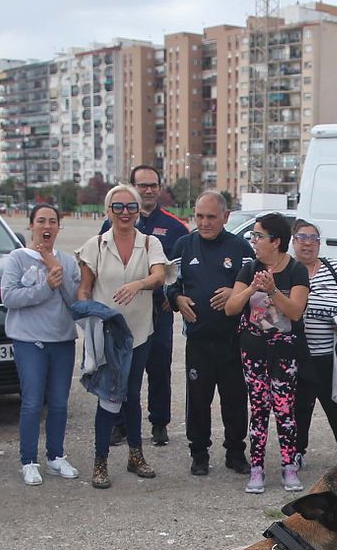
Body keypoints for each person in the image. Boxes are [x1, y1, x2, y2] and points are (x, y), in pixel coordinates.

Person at [77, 183, 170, 486]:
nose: (125, 213)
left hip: (140, 333)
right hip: (108, 335)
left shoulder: (149, 244)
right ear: (108, 211)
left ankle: (135, 455)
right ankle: (100, 461)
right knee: (108, 396)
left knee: (131, 394)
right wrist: (86, 313)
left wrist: (137, 285)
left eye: (131, 207)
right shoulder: (95, 245)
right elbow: (85, 286)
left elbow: (158, 276)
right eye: (118, 207)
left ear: (138, 211)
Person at [169, 191, 253, 476]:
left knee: (235, 399)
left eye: (211, 217)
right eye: (199, 216)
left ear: (226, 217)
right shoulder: (183, 246)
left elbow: (255, 288)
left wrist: (234, 292)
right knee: (198, 399)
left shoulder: (241, 248)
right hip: (199, 340)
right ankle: (199, 453)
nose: (204, 223)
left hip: (233, 340)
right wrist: (177, 300)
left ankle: (235, 452)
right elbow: (170, 285)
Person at [224, 213, 310, 494]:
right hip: (254, 350)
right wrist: (252, 288)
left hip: (285, 351)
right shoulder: (249, 269)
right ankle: (257, 466)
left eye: (259, 236)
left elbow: (296, 311)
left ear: (276, 241)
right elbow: (231, 308)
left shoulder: (295, 270)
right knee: (258, 408)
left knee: (285, 409)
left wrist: (273, 291)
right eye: (253, 235)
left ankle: (289, 466)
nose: (254, 240)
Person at [1, 204, 81, 485]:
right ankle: (29, 460)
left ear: (59, 227)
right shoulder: (17, 258)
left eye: (52, 222)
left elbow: (75, 302)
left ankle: (55, 456)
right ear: (31, 225)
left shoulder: (68, 262)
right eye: (41, 221)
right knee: (32, 401)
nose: (46, 227)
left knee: (59, 402)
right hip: (29, 339)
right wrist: (45, 285)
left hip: (62, 339)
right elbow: (9, 297)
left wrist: (55, 269)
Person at [129, 166, 190, 448]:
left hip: (159, 310)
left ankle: (159, 423)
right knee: (125, 368)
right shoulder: (115, 221)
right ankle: (120, 423)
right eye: (142, 185)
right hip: (126, 309)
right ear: (132, 187)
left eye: (153, 185)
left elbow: (183, 268)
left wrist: (173, 294)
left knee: (159, 368)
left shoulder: (175, 227)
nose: (148, 190)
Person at [291, 218, 337, 466]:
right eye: (302, 238)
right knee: (299, 408)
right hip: (299, 354)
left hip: (330, 355)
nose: (308, 244)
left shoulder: (334, 268)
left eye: (313, 239)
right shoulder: (288, 270)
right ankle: (296, 452)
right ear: (293, 242)